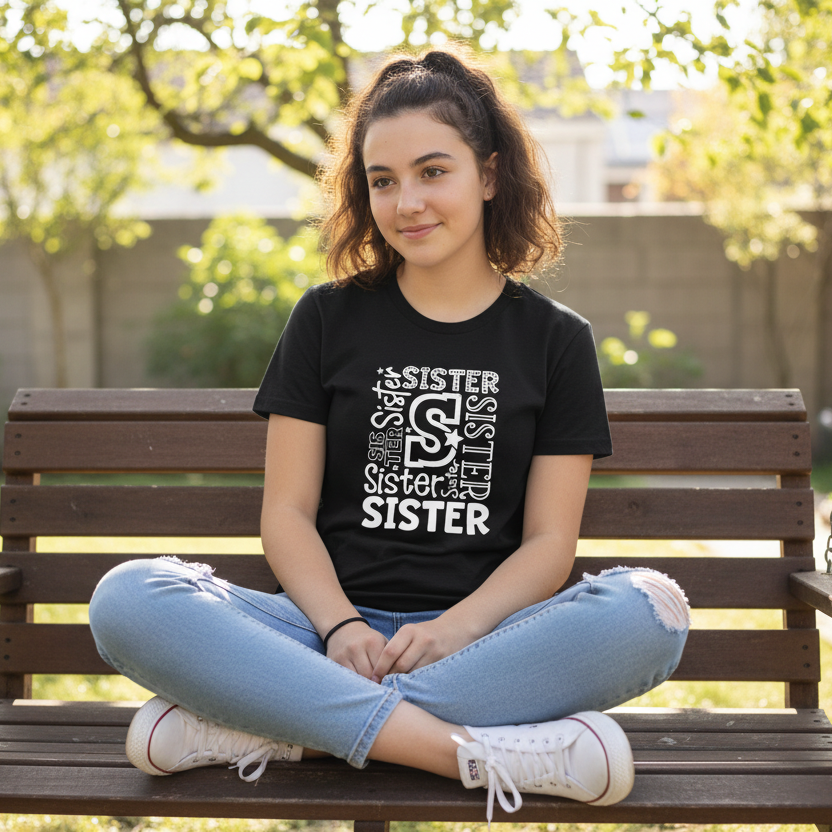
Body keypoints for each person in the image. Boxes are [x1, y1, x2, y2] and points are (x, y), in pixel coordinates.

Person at [89, 46, 690, 826]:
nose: (408, 201)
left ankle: (277, 723)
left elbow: (549, 543)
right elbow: (288, 515)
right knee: (128, 599)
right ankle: (466, 753)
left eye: (433, 171)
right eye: (382, 180)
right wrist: (339, 627)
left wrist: (452, 630)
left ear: (490, 174)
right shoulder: (326, 319)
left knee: (653, 612)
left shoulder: (555, 341)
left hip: (484, 640)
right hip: (317, 632)